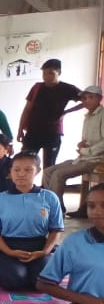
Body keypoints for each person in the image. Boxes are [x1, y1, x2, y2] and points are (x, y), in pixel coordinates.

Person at [38, 183, 104, 304]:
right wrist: (85, 300)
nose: (97, 211)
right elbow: (44, 283)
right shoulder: (76, 242)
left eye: (103, 205)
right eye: (91, 206)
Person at [0, 152, 64, 290]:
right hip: (8, 247)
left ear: (37, 171)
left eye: (28, 170)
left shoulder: (50, 197)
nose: (21, 174)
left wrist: (45, 251)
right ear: (10, 172)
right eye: (16, 170)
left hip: (39, 247)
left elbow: (55, 229)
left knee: (42, 283)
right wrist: (9, 252)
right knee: (15, 280)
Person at [42, 84, 103, 217]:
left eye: (90, 97)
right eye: (85, 98)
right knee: (47, 172)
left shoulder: (102, 115)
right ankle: (54, 205)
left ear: (99, 99)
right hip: (83, 158)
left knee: (58, 174)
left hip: (95, 159)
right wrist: (82, 145)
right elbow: (88, 140)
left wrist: (86, 150)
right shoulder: (88, 116)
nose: (86, 100)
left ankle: (56, 212)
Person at [18, 58, 82, 170]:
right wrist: (20, 129)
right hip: (33, 131)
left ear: (59, 73)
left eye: (51, 73)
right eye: (44, 73)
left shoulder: (67, 88)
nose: (46, 76)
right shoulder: (37, 87)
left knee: (49, 166)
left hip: (53, 133)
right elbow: (27, 109)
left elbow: (87, 100)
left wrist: (67, 111)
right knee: (25, 162)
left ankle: (46, 187)